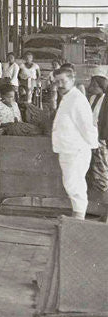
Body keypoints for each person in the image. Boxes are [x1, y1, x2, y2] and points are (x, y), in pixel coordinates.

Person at [51, 67, 99, 221]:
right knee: (71, 183)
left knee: (74, 183)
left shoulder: (77, 100)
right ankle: (77, 215)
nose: (59, 85)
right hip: (68, 149)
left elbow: (87, 126)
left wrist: (93, 146)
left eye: (63, 81)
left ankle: (79, 218)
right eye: (57, 82)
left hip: (76, 150)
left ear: (72, 80)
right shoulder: (68, 98)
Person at [86, 76, 108, 195]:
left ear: (101, 88)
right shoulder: (92, 98)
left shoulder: (105, 100)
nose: (91, 88)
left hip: (101, 137)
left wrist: (102, 137)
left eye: (94, 85)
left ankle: (102, 188)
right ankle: (94, 187)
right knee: (92, 162)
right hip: (91, 134)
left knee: (101, 162)